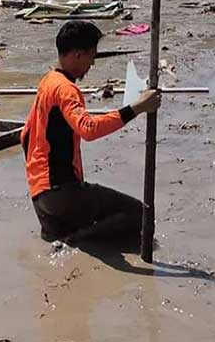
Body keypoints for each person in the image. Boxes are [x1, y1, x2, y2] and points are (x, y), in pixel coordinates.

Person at [20, 20, 162, 243]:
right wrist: (138, 107)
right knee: (141, 217)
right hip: (60, 192)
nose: (92, 64)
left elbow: (25, 136)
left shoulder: (47, 82)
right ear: (78, 55)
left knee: (100, 217)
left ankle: (67, 235)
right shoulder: (66, 89)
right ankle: (76, 240)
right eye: (92, 57)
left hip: (40, 197)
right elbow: (88, 129)